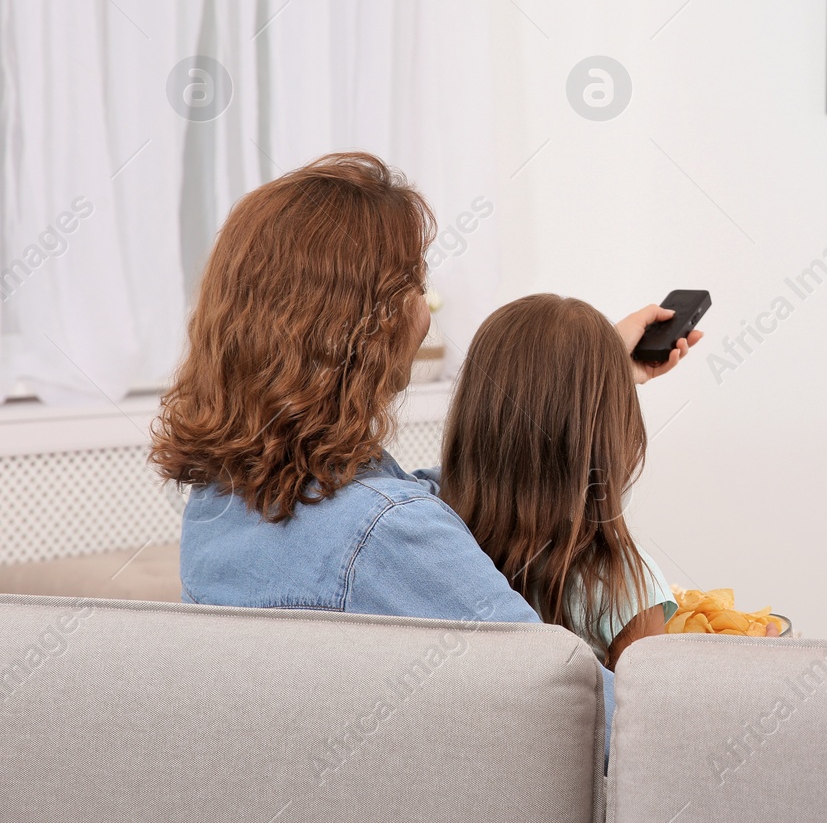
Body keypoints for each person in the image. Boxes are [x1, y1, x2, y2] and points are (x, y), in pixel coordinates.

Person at [151, 152, 698, 738]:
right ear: (363, 325)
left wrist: (586, 375)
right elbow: (584, 714)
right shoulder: (387, 534)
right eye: (415, 284)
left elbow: (436, 492)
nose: (425, 309)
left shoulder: (221, 499)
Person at [437, 294, 675, 670]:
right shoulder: (623, 583)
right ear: (610, 438)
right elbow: (648, 718)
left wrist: (604, 365)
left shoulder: (442, 549)